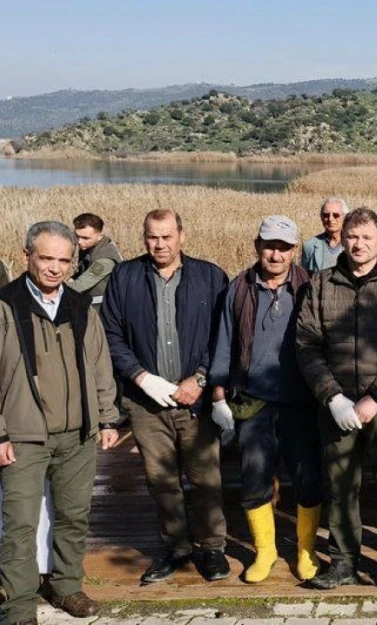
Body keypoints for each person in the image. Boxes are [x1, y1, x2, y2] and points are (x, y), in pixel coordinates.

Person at [295, 207, 377, 591]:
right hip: (335, 407)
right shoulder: (321, 283)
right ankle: (343, 562)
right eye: (353, 236)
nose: (359, 244)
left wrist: (374, 398)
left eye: (367, 237)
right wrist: (332, 397)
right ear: (342, 237)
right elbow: (306, 344)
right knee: (340, 487)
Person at [100, 209, 230, 585]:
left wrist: (201, 378)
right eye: (152, 237)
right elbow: (111, 335)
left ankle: (211, 548)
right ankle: (176, 548)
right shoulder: (124, 277)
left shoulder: (210, 276)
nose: (159, 244)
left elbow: (224, 335)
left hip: (196, 399)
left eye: (167, 236)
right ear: (144, 238)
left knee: (205, 478)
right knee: (161, 480)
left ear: (182, 236)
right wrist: (140, 376)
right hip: (146, 402)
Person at [0, 222, 121, 625]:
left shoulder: (79, 304)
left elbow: (100, 364)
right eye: (46, 258)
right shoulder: (6, 305)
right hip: (23, 435)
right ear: (27, 256)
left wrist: (106, 417)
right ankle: (18, 606)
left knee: (73, 516)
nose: (55, 268)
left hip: (79, 434)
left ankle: (67, 586)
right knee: (19, 523)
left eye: (64, 260)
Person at [208, 215, 323, 583]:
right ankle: (266, 551)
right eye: (270, 245)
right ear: (257, 245)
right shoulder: (238, 288)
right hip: (252, 401)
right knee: (254, 478)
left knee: (308, 478)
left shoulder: (310, 286)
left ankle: (307, 551)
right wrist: (218, 396)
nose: (276, 254)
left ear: (295, 250)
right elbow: (224, 343)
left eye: (284, 247)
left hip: (301, 401)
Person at [70, 213, 122, 309]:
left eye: (85, 238)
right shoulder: (89, 247)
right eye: (77, 236)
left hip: (103, 311)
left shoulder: (105, 259)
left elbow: (79, 286)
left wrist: (49, 288)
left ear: (100, 236)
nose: (79, 241)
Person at [301, 197, 348, 273]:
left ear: (345, 217)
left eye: (336, 215)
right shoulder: (309, 246)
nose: (330, 219)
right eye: (326, 215)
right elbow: (305, 277)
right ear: (321, 218)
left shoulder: (353, 244)